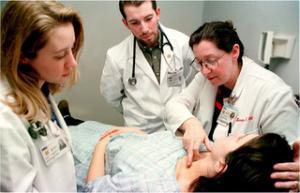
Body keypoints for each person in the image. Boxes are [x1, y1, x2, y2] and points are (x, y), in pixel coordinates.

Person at [164, 20, 300, 191]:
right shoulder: (205, 77)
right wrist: (190, 123)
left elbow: (287, 164)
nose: (205, 70)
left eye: (211, 61)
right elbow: (174, 104)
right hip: (203, 171)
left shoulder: (274, 94)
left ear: (234, 51)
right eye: (199, 63)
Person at [0, 1, 84, 191]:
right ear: (22, 55)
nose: (72, 63)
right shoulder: (4, 122)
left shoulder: (38, 87)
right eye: (60, 55)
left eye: (72, 48)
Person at [70, 123, 293, 192]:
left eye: (239, 138)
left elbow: (94, 189)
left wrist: (102, 144)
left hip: (83, 155)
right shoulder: (202, 151)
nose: (235, 133)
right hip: (115, 135)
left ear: (222, 166)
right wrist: (138, 134)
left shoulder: (155, 186)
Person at [100, 0, 197, 133]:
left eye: (148, 19)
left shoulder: (182, 43)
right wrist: (137, 114)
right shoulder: (115, 56)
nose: (144, 29)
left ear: (157, 13)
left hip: (178, 126)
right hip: (141, 131)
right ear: (125, 23)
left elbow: (198, 77)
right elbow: (112, 96)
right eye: (135, 23)